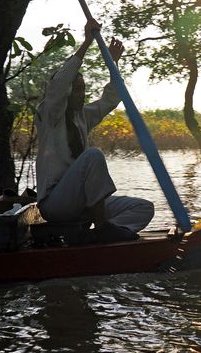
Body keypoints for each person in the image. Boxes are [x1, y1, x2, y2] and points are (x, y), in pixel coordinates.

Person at [34, 18, 154, 241]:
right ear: (66, 94)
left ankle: (97, 236)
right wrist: (87, 42)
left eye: (83, 89)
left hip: (81, 205)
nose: (82, 94)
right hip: (55, 205)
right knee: (93, 155)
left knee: (143, 207)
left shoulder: (82, 116)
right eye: (77, 90)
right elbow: (59, 85)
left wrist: (112, 64)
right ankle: (100, 228)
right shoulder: (49, 115)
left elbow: (111, 98)